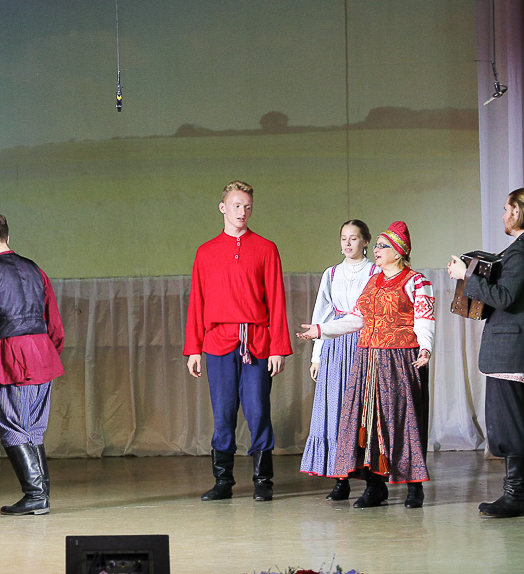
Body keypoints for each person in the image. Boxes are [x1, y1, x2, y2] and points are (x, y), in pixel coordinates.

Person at [300, 221, 434, 509]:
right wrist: (321, 330)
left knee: (403, 420)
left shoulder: (416, 281)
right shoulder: (373, 282)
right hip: (368, 359)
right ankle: (375, 486)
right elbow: (356, 319)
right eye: (377, 246)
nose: (376, 250)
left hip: (400, 358)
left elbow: (424, 318)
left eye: (383, 246)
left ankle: (414, 486)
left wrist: (425, 348)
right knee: (368, 421)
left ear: (398, 252)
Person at [448, 187, 524, 518]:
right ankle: (519, 493)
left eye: (506, 210)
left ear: (518, 212)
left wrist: (465, 275)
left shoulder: (523, 249)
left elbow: (505, 297)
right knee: (510, 420)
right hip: (518, 344)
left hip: (512, 346)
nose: (503, 216)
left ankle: (517, 496)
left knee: (508, 422)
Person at [184, 180, 292, 502]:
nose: (242, 212)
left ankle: (263, 480)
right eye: (236, 205)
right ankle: (223, 481)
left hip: (256, 341)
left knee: (258, 411)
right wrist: (193, 349)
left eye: (247, 207)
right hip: (218, 342)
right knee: (223, 413)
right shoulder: (205, 252)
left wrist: (278, 348)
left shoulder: (266, 248)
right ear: (223, 208)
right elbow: (197, 302)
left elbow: (276, 300)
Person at [0, 212, 65, 515]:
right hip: (43, 354)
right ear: (7, 237)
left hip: (13, 358)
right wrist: (48, 352)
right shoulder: (36, 269)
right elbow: (54, 323)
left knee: (13, 426)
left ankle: (35, 496)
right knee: (33, 428)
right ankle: (40, 496)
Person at [300, 220, 378, 499]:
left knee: (363, 410)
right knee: (335, 409)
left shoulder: (374, 271)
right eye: (344, 238)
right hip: (335, 345)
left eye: (353, 238)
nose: (347, 243)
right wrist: (317, 356)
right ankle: (340, 478)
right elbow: (322, 315)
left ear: (365, 241)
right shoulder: (331, 273)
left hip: (364, 343)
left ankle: (371, 479)